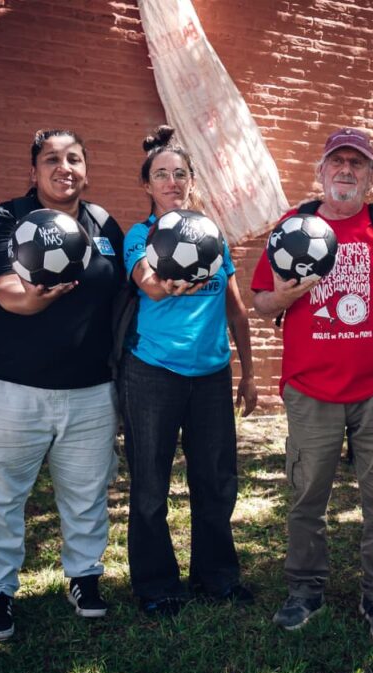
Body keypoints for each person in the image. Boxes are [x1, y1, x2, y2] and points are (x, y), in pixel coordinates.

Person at [252, 127, 373, 645]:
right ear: (321, 171)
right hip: (310, 391)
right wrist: (286, 295)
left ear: (370, 177)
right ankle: (304, 589)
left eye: (357, 163)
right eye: (337, 161)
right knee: (307, 496)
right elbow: (261, 301)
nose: (345, 170)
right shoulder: (293, 226)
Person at [0, 128, 124, 641]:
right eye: (51, 159)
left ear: (86, 170)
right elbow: (7, 292)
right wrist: (35, 299)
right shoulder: (5, 220)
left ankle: (84, 577)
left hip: (89, 388)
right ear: (32, 172)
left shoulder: (104, 225)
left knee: (87, 491)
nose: (63, 168)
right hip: (6, 385)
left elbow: (119, 300)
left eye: (74, 158)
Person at [120, 126, 258, 617]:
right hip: (153, 373)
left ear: (192, 181)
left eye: (180, 174)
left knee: (216, 481)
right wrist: (170, 282)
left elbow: (236, 310)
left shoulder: (213, 237)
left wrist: (248, 372)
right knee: (150, 483)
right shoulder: (139, 236)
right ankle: (157, 585)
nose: (172, 182)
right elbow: (149, 285)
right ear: (147, 184)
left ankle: (216, 577)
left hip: (212, 375)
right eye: (161, 174)